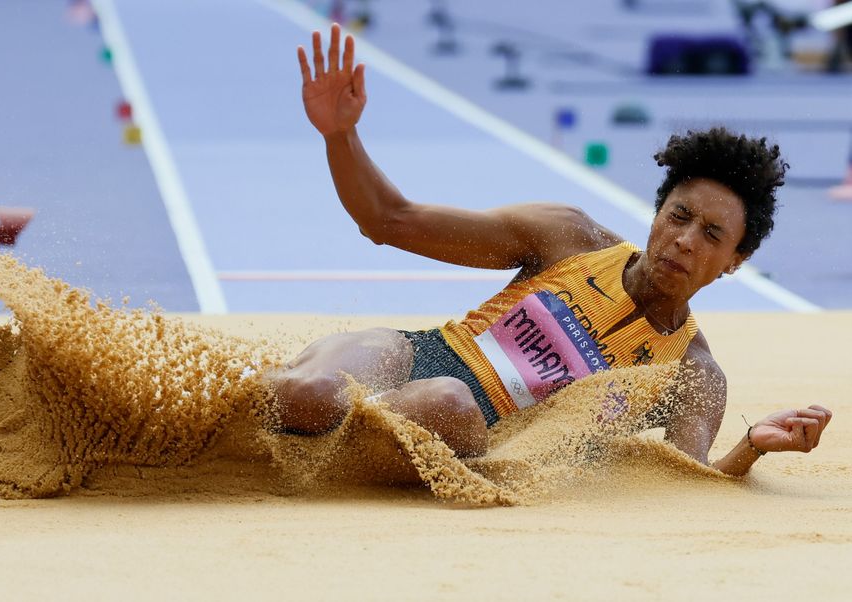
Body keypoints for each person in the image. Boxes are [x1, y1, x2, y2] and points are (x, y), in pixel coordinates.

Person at [267, 24, 833, 476]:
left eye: (712, 234)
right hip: (416, 355)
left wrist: (752, 447)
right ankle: (196, 406)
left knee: (450, 404)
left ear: (735, 261)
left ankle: (318, 450)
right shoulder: (568, 238)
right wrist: (339, 135)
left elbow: (691, 479)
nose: (684, 240)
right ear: (657, 214)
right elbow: (389, 220)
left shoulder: (692, 374)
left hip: (464, 429)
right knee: (314, 392)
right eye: (678, 216)